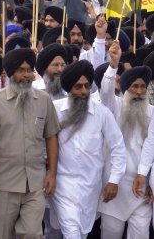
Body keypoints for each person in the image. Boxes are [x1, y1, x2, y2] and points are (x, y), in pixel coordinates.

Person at [0, 48, 60, 238]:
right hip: (4, 183)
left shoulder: (43, 100)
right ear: (10, 73)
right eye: (21, 70)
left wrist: (52, 173)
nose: (27, 75)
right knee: (3, 234)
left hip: (35, 183)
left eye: (29, 69)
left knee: (32, 233)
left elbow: (51, 137)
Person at [49, 60, 126, 238]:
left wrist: (114, 181)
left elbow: (118, 147)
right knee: (72, 233)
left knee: (82, 233)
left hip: (91, 188)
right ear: (69, 88)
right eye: (78, 87)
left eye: (86, 86)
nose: (83, 91)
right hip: (63, 186)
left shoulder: (102, 113)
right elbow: (44, 142)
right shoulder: (54, 110)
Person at [99, 41, 153, 238]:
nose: (139, 92)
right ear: (124, 88)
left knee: (140, 234)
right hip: (115, 185)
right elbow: (105, 92)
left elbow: (151, 145)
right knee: (111, 233)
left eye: (142, 87)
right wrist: (113, 64)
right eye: (134, 86)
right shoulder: (114, 108)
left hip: (142, 186)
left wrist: (148, 179)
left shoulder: (153, 113)